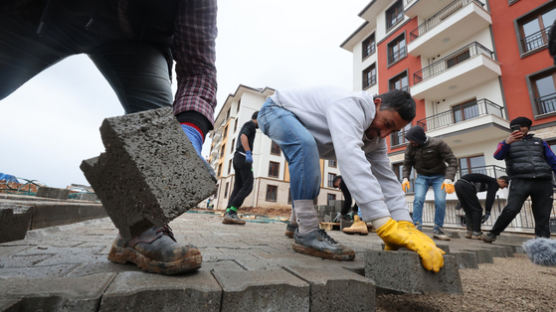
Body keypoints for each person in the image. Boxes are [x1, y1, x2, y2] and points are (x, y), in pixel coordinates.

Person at [0, 0, 218, 275]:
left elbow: (198, 69)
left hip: (136, 40)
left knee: (157, 123)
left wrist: (189, 134)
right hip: (45, 12)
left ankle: (139, 229)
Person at [257, 87, 446, 272]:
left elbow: (387, 180)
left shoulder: (376, 140)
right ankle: (307, 232)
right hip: (275, 110)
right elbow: (351, 159)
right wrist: (384, 225)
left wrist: (405, 225)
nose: (385, 135)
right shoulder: (350, 107)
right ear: (377, 104)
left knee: (306, 158)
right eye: (387, 124)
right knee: (304, 147)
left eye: (393, 131)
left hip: (300, 126)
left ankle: (295, 223)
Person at [483, 117, 556, 242]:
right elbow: (498, 156)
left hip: (543, 181)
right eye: (517, 127)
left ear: (528, 128)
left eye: (523, 126)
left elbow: (553, 160)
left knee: (543, 215)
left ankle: (542, 245)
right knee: (512, 209)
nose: (521, 129)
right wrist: (507, 142)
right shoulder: (506, 143)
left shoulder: (540, 142)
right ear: (512, 129)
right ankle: (493, 233)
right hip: (520, 180)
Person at [402, 125, 458, 241]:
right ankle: (417, 227)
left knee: (440, 201)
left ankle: (438, 229)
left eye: (413, 140)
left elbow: (452, 160)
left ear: (420, 138)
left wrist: (449, 178)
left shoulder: (438, 144)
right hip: (422, 177)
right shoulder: (411, 147)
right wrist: (405, 177)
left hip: (439, 177)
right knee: (418, 199)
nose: (411, 142)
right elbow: (407, 163)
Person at [223, 111, 259, 225]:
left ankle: (228, 212)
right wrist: (248, 152)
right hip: (243, 157)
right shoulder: (251, 125)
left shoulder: (248, 125)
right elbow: (244, 136)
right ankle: (233, 211)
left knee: (238, 186)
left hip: (237, 157)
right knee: (248, 186)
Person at [454, 174, 509, 239]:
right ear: (502, 181)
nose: (503, 188)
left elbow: (472, 191)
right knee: (477, 210)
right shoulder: (494, 183)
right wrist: (487, 212)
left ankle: (469, 232)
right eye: (505, 186)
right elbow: (490, 198)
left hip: (458, 184)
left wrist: (461, 202)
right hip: (465, 185)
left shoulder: (487, 181)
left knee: (468, 210)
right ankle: (477, 233)